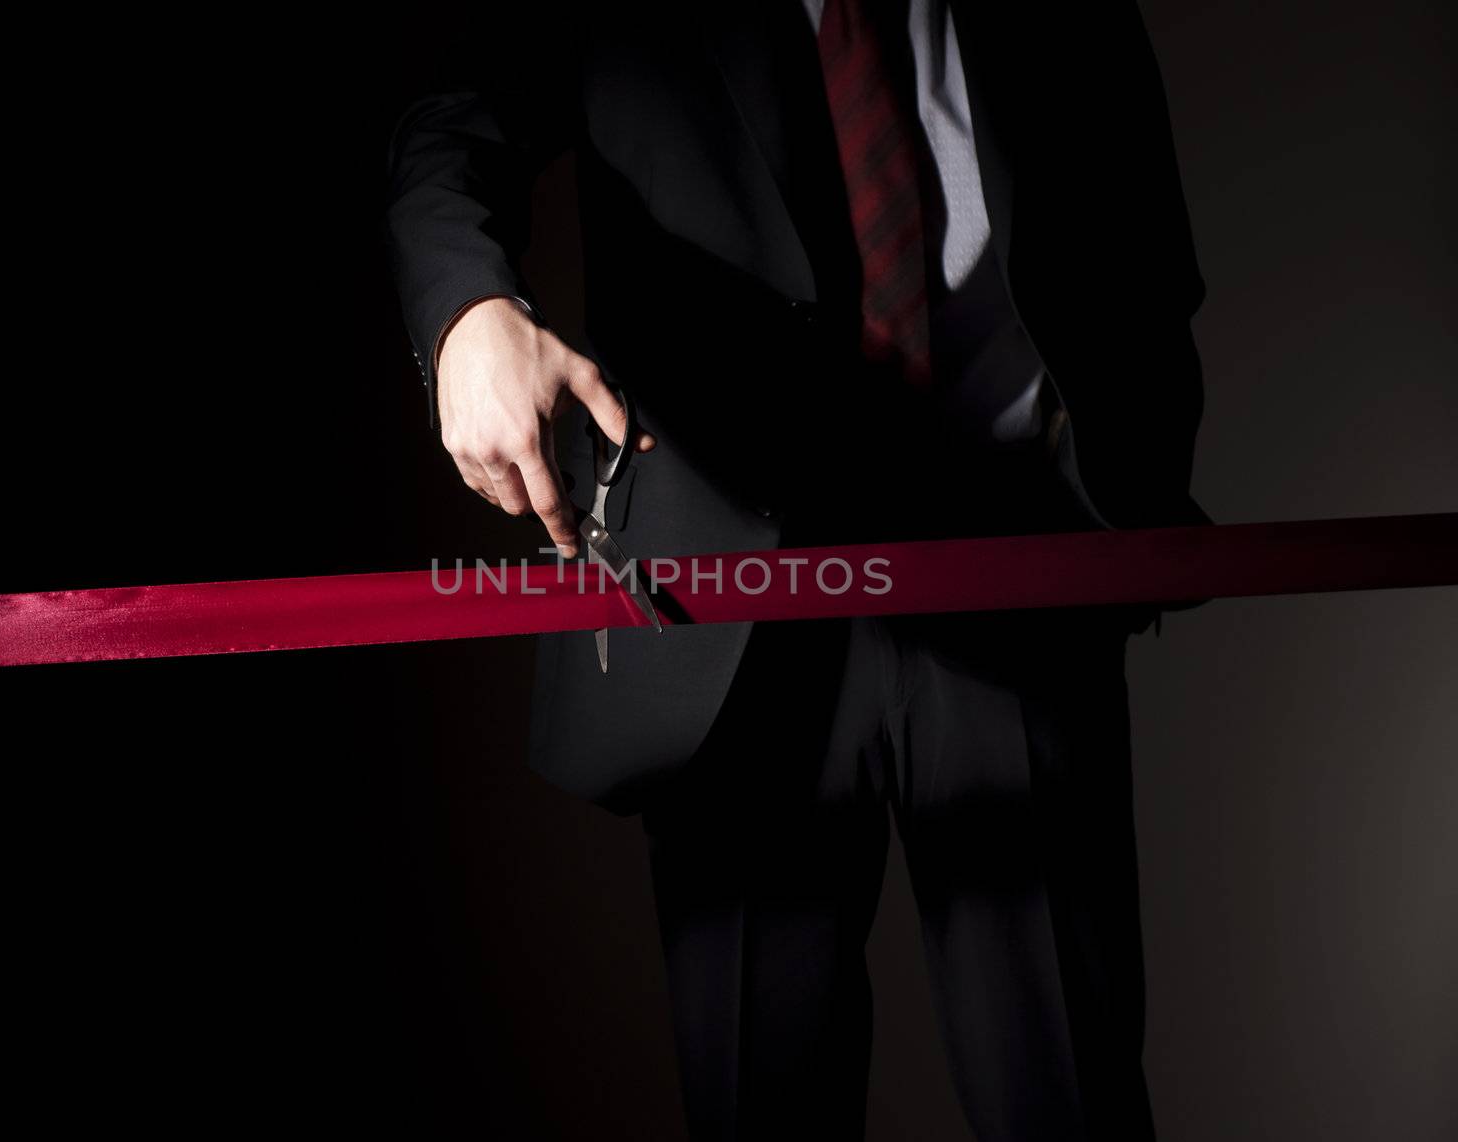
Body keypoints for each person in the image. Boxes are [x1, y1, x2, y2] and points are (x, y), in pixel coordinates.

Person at [386, 2, 1210, 1137]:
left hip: (1011, 571)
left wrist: (1131, 477)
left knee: (1071, 1097)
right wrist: (468, 314)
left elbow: (1138, 220)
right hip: (738, 618)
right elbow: (450, 125)